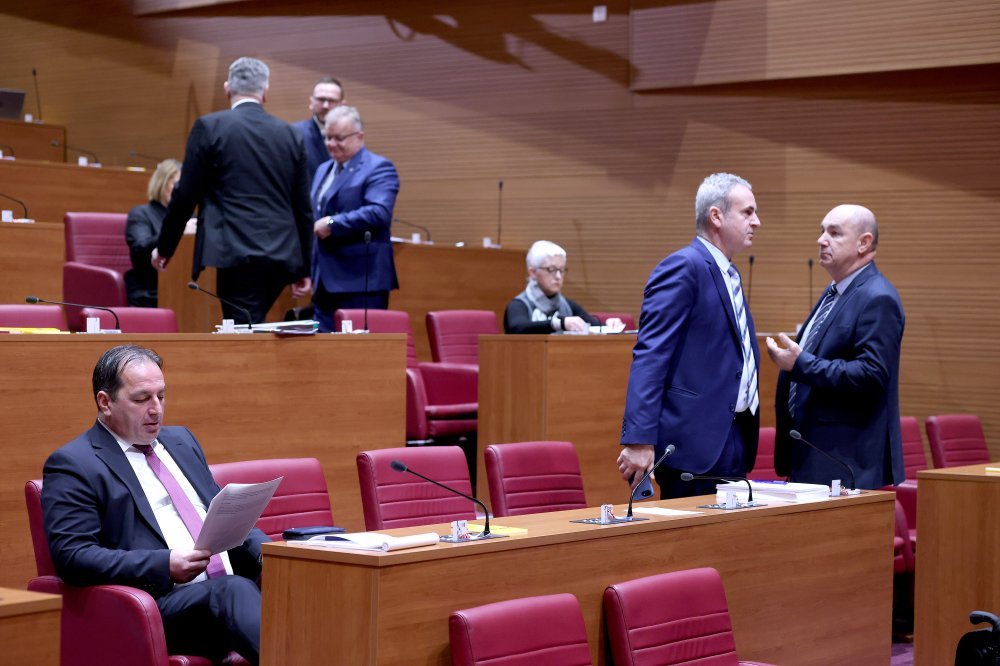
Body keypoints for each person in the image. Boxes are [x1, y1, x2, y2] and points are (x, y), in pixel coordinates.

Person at [41, 344, 267, 664]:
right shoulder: (75, 464)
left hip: (228, 590)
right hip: (157, 605)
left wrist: (268, 553)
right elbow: (73, 556)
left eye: (161, 396)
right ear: (105, 402)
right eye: (141, 399)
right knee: (233, 590)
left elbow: (221, 513)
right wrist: (164, 564)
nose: (156, 409)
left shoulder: (181, 440)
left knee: (305, 575)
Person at [617, 173, 762, 499]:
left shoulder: (729, 273)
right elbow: (651, 355)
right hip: (693, 443)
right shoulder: (684, 267)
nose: (757, 222)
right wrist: (639, 439)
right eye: (747, 212)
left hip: (733, 436)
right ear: (716, 216)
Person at [152, 56, 313, 325]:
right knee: (250, 323)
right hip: (282, 254)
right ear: (265, 91)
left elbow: (186, 194)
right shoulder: (291, 135)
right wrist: (304, 267)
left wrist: (166, 246)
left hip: (235, 250)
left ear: (227, 89)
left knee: (243, 329)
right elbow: (303, 206)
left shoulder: (210, 127)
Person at [766, 204, 905, 489]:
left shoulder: (877, 297)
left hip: (845, 462)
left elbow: (872, 374)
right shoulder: (836, 292)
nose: (821, 240)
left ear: (864, 243)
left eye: (835, 233)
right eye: (822, 231)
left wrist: (800, 364)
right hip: (812, 454)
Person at [311, 105, 400, 333]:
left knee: (358, 352)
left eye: (339, 138)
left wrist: (333, 223)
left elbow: (379, 212)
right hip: (323, 281)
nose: (331, 144)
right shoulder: (323, 170)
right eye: (328, 137)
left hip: (360, 281)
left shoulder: (378, 167)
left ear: (359, 137)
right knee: (322, 350)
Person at [504, 240, 600, 334]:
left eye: (561, 270)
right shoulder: (519, 304)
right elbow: (517, 327)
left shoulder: (567, 305)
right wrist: (558, 324)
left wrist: (607, 324)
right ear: (533, 272)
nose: (558, 276)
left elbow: (594, 325)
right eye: (551, 269)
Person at [125, 159, 180, 307]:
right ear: (161, 183)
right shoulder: (140, 213)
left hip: (182, 288)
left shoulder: (189, 217)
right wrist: (177, 232)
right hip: (149, 290)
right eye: (175, 184)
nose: (179, 190)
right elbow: (140, 248)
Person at [293, 76, 345, 180]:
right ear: (311, 102)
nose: (325, 106)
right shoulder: (294, 133)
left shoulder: (351, 136)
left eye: (332, 100)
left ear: (342, 105)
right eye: (321, 99)